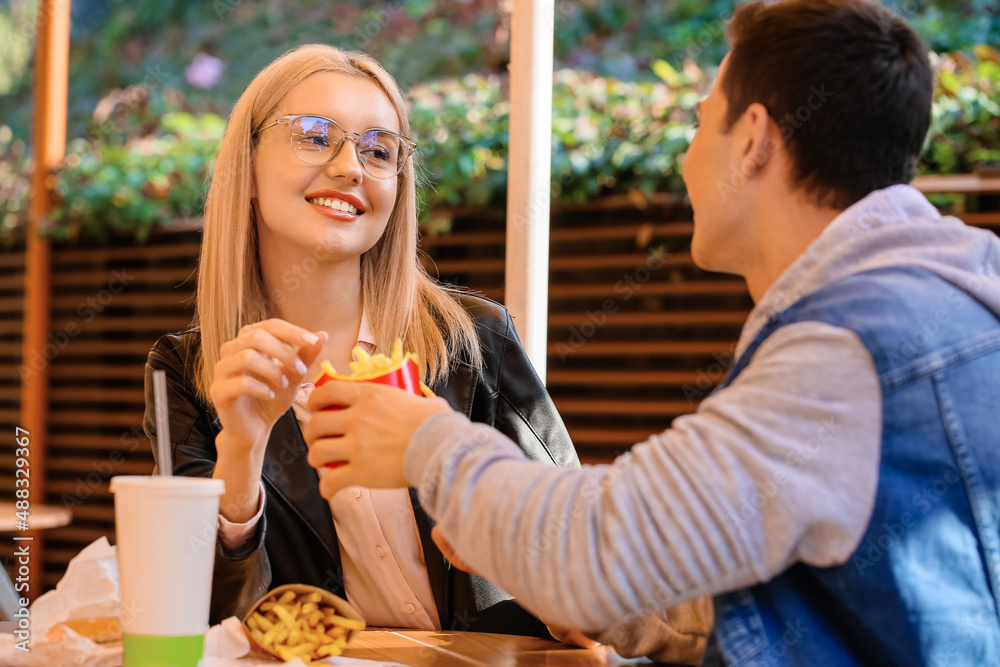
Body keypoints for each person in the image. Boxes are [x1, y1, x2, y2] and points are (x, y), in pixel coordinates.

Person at [302, 1, 1000, 664]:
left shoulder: (848, 346)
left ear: (753, 139)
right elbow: (758, 583)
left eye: (702, 124)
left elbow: (609, 542)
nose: (687, 160)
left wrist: (425, 442)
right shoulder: (942, 297)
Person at [142, 43, 711, 659]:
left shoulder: (475, 340)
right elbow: (198, 626)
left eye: (378, 150)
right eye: (313, 135)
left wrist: (567, 607)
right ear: (246, 167)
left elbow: (577, 554)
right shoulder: (189, 373)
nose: (349, 167)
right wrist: (242, 451)